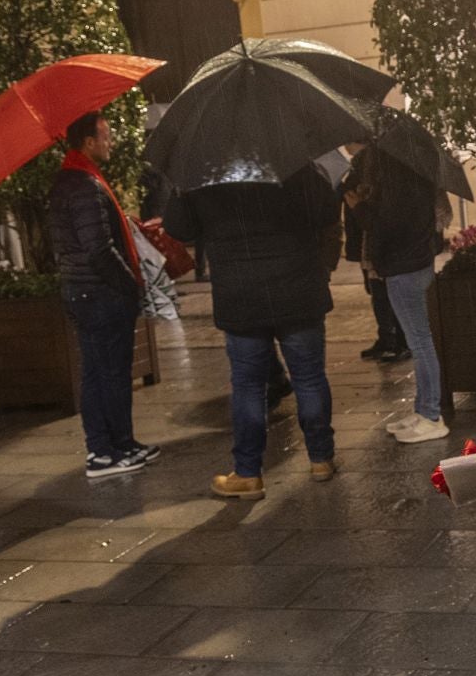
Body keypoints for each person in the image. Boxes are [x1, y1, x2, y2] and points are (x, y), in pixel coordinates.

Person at [163, 165, 340, 499]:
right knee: (309, 378)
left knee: (248, 384)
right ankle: (321, 458)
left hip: (241, 294)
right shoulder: (289, 160)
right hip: (297, 287)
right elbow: (326, 211)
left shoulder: (206, 170)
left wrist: (181, 185)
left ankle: (248, 473)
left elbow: (179, 227)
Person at [48, 112, 159, 480]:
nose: (110, 142)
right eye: (106, 136)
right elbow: (98, 248)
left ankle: (120, 444)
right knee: (108, 373)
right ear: (89, 142)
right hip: (99, 294)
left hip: (86, 292)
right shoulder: (83, 185)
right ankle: (104, 451)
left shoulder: (75, 180)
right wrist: (129, 284)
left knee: (100, 371)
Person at [353, 145, 448, 442]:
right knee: (418, 340)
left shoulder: (395, 190)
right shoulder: (417, 180)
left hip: (403, 268)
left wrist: (359, 206)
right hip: (416, 263)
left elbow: (385, 227)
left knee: (420, 342)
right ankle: (423, 410)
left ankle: (432, 415)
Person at [340, 147, 408, 362]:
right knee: (377, 291)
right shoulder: (359, 163)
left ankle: (400, 342)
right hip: (367, 241)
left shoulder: (379, 162)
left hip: (380, 241)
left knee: (388, 292)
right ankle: (387, 338)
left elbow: (381, 214)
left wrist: (359, 201)